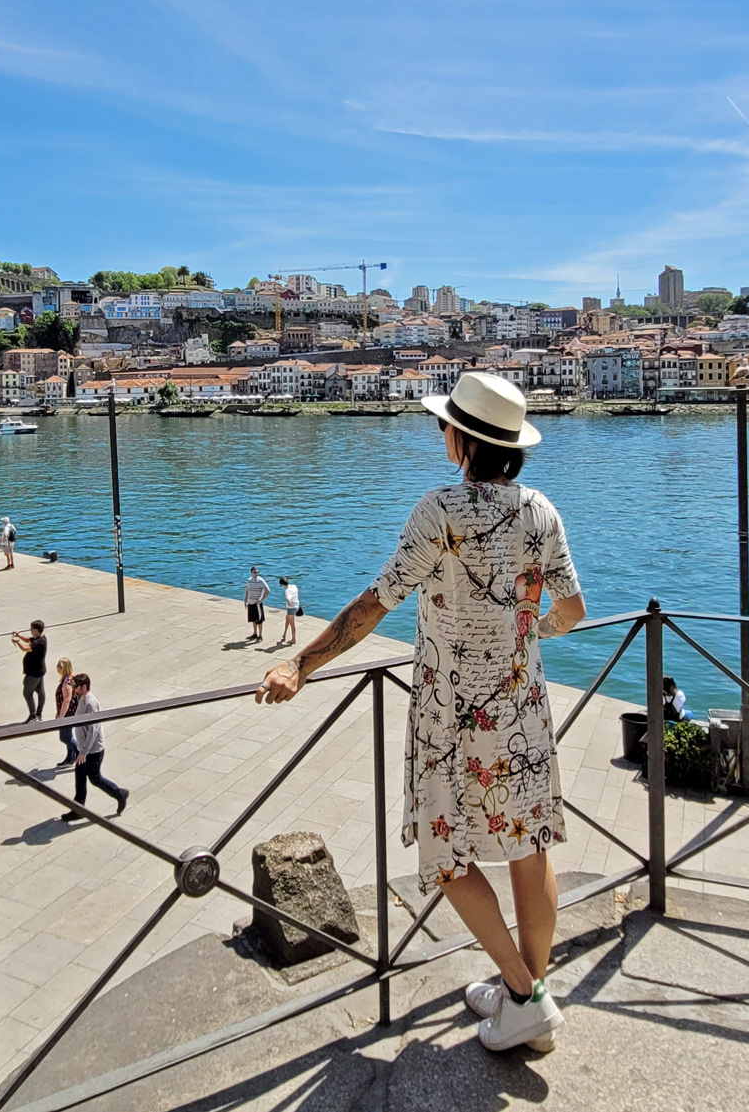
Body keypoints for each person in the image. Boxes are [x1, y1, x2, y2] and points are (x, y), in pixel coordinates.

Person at [256, 372, 587, 1055]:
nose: (442, 433)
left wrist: (299, 665)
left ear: (461, 438)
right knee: (530, 851)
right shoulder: (542, 510)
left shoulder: (441, 510)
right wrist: (530, 633)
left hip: (454, 722)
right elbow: (573, 609)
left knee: (446, 858)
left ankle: (525, 995)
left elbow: (377, 601)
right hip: (524, 714)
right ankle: (528, 991)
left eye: (445, 426)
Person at [59, 674, 129, 820]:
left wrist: (83, 752)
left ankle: (120, 793)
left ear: (84, 687)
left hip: (93, 751)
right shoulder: (81, 699)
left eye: (76, 687)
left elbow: (94, 729)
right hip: (83, 748)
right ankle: (78, 809)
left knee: (95, 778)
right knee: (79, 777)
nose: (74, 691)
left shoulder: (91, 703)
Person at [12, 620, 48, 723]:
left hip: (33, 674)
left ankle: (33, 715)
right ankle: (39, 714)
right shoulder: (41, 638)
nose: (30, 630)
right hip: (39, 672)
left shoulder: (39, 643)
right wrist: (19, 636)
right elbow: (28, 640)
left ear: (36, 630)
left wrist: (17, 641)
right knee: (40, 692)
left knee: (27, 693)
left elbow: (25, 648)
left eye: (31, 629)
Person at [52, 656, 79, 766]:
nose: (56, 667)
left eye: (58, 666)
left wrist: (61, 717)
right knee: (68, 736)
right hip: (66, 713)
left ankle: (80, 753)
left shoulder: (67, 682)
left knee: (64, 737)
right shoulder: (67, 679)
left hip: (67, 715)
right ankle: (70, 758)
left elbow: (66, 700)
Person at [243, 565, 271, 643]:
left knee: (259, 620)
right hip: (250, 602)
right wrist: (245, 601)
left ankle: (260, 635)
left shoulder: (260, 581)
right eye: (255, 572)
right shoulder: (249, 581)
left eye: (257, 572)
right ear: (251, 573)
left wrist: (261, 600)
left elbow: (267, 590)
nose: (256, 574)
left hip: (257, 604)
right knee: (252, 619)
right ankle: (255, 633)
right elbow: (247, 591)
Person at [278, 576, 301, 646]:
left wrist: (290, 603)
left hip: (291, 608)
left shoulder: (287, 591)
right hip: (296, 606)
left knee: (292, 624)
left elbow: (288, 598)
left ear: (283, 585)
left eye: (280, 585)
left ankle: (293, 639)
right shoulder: (294, 586)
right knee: (287, 620)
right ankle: (284, 634)